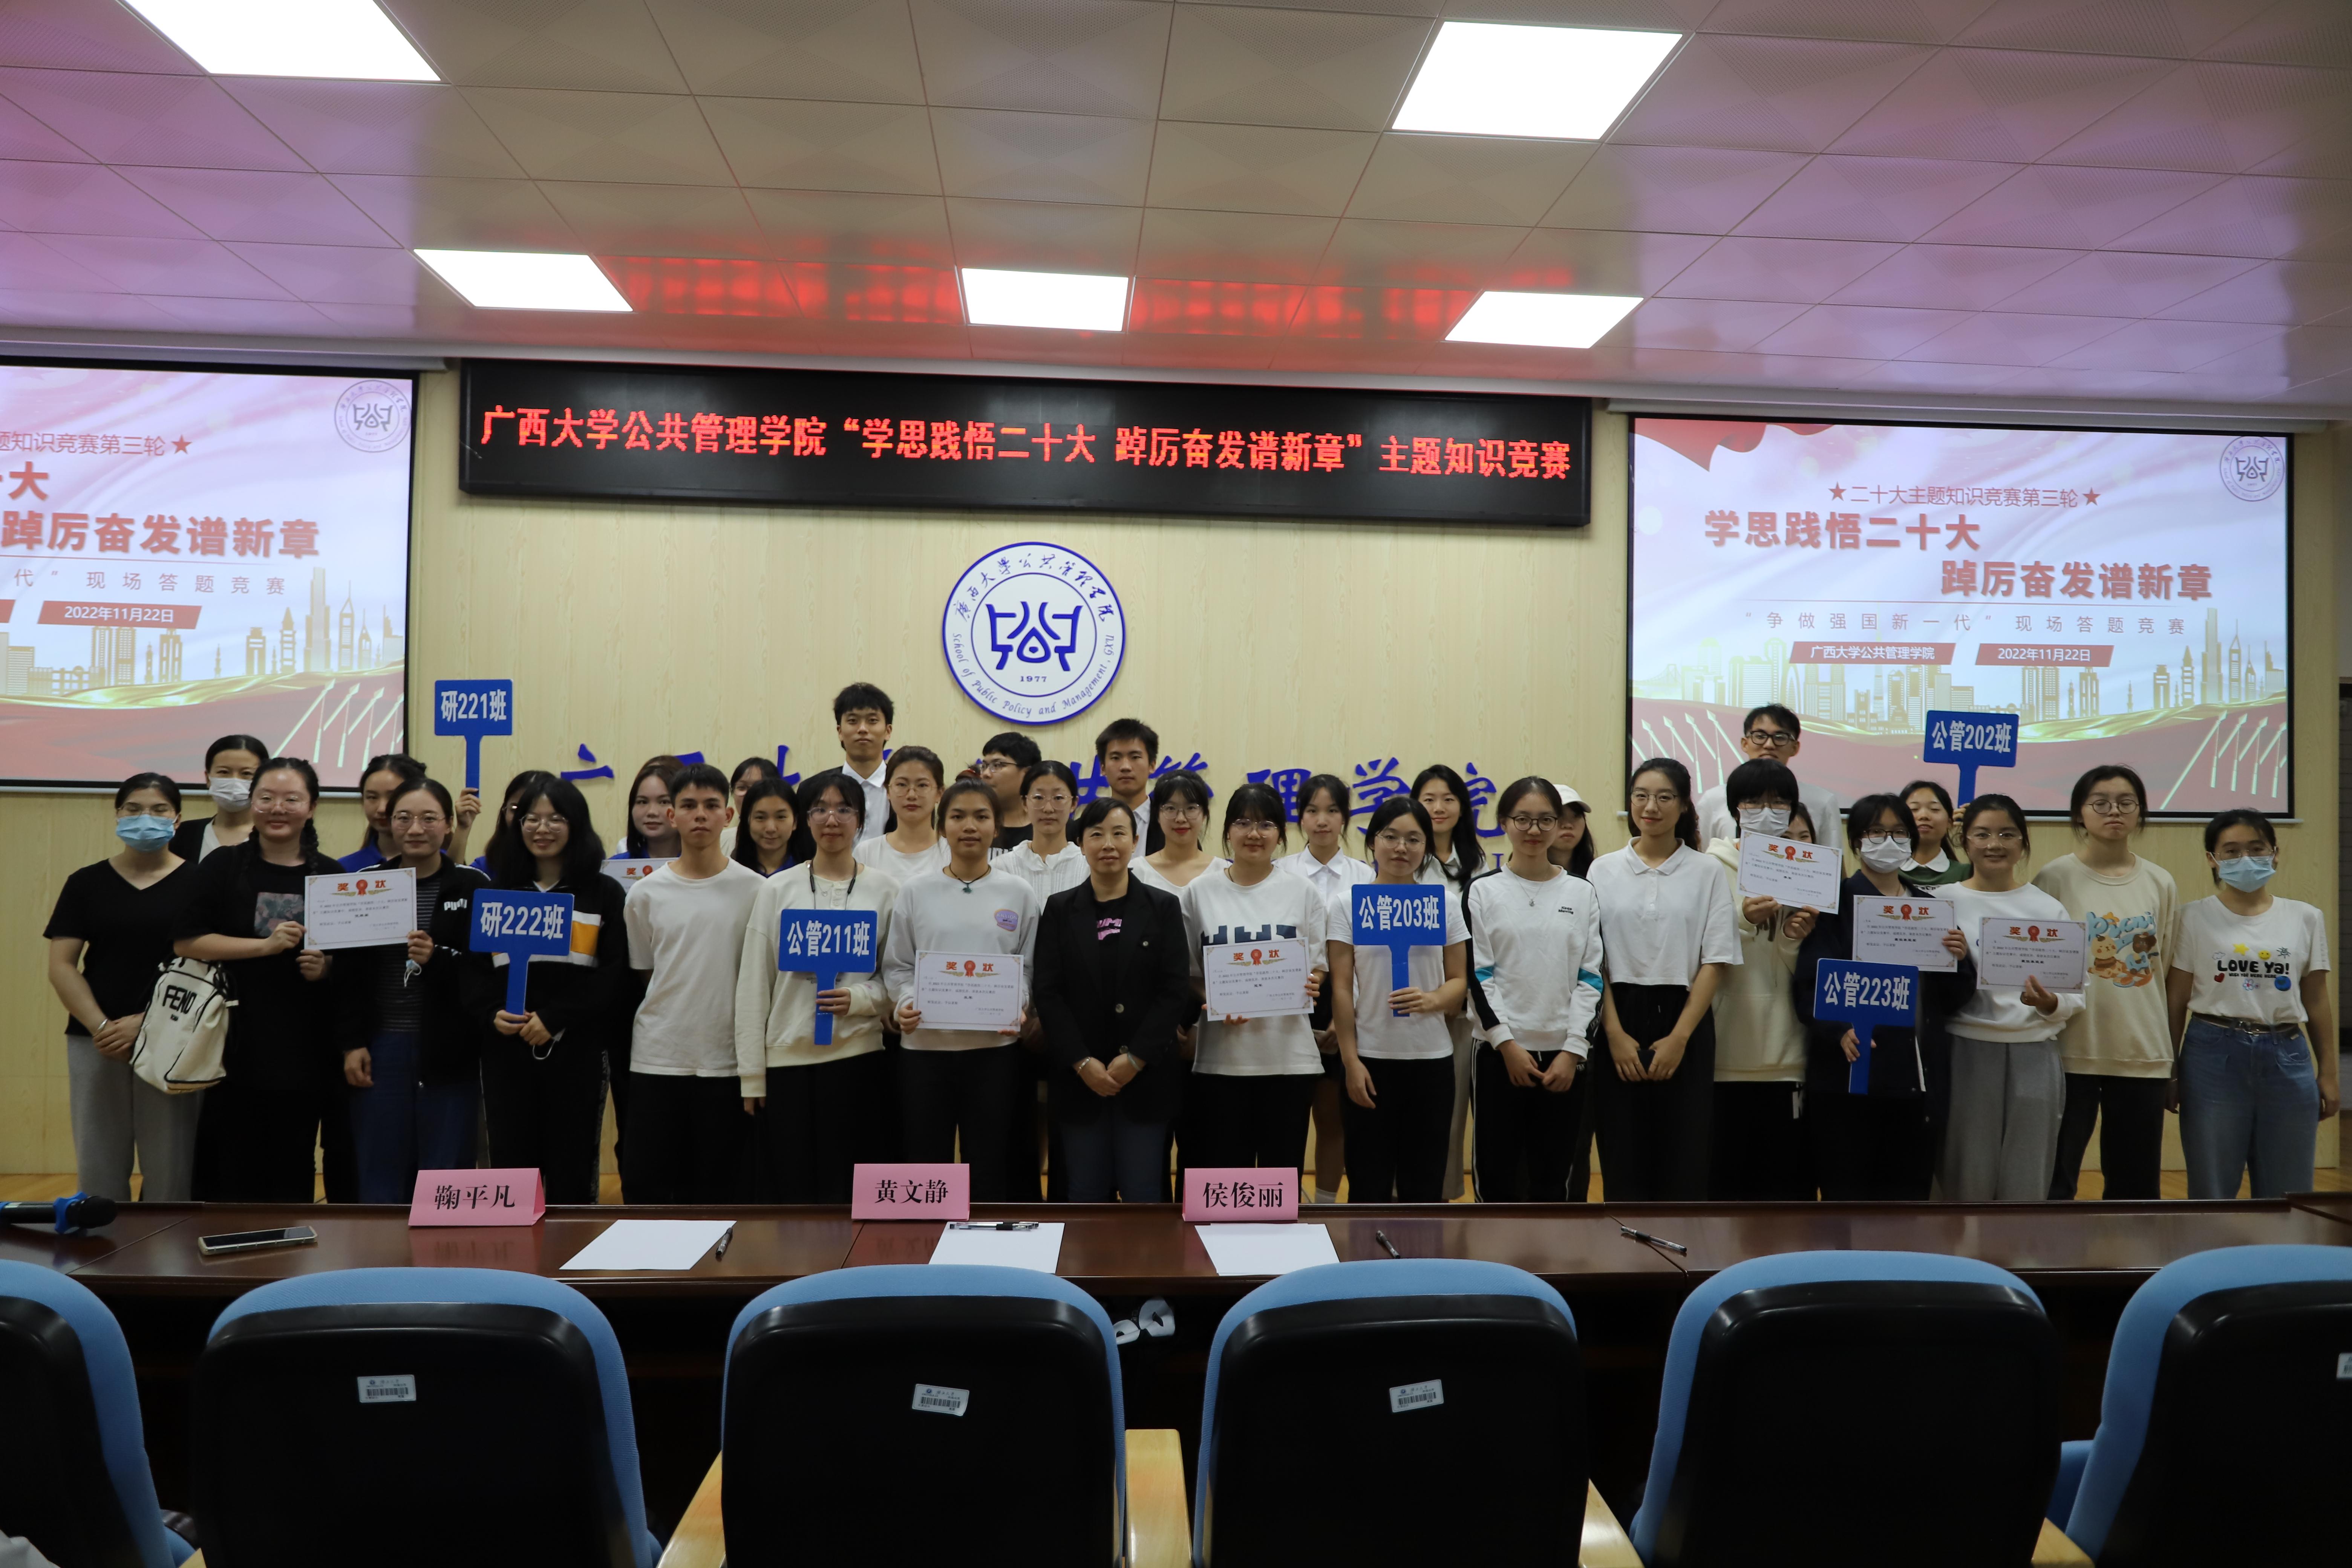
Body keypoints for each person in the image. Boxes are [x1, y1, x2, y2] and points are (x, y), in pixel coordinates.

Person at [173, 756, 344, 1201]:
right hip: (228, 1041)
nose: (278, 808)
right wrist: (264, 947)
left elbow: (352, 962)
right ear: (253, 803)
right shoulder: (223, 866)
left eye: (292, 799)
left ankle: (289, 1246)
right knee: (227, 1162)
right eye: (266, 798)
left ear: (312, 806)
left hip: (305, 1045)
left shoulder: (332, 875)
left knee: (292, 1161)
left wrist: (327, 967)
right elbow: (187, 941)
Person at [1792, 793, 1974, 1200]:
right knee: (1847, 1201)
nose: (1888, 842)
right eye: (1876, 832)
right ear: (1857, 841)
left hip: (1914, 1082)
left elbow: (1951, 999)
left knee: (1906, 1203)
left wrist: (1960, 960)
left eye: (1898, 833)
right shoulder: (1833, 906)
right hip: (1848, 1079)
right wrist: (1838, 1030)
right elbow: (1809, 986)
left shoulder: (1931, 910)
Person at [735, 772, 900, 1202]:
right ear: (805, 820)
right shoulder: (777, 889)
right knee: (791, 1191)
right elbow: (754, 985)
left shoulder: (886, 891)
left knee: (849, 1192)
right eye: (820, 809)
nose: (832, 819)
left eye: (844, 809)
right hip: (787, 1063)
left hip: (858, 1058)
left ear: (861, 820)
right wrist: (752, 1076)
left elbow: (898, 978)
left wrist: (860, 999)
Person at [43, 773, 203, 1201]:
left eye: (158, 809)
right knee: (99, 1167)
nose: (145, 818)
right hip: (96, 1039)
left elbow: (207, 969)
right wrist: (101, 1027)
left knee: (171, 1171)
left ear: (177, 819)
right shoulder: (86, 882)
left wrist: (149, 1025)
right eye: (133, 809)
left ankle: (168, 1248)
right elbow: (62, 966)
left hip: (174, 1039)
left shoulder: (200, 883)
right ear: (118, 815)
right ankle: (99, 1244)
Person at [472, 776, 629, 1206]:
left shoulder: (603, 893)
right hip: (506, 1053)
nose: (542, 828)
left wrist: (555, 1018)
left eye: (556, 818)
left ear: (576, 825)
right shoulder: (495, 892)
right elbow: (476, 973)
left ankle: (570, 1250)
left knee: (572, 1169)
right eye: (531, 819)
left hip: (577, 1051)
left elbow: (612, 974)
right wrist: (491, 1012)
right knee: (511, 1170)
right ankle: (512, 1251)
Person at [1588, 758, 1740, 1201]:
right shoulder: (1602, 869)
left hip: (1685, 1017)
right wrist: (1614, 1034)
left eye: (1664, 797)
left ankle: (1682, 1246)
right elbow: (1593, 961)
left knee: (1684, 1157)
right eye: (1641, 796)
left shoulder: (1707, 870)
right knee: (1623, 1155)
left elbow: (1715, 960)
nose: (1650, 806)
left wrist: (1679, 1038)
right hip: (1617, 1013)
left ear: (1684, 805)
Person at [2168, 810, 2339, 1199]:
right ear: (2212, 859)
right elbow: (2176, 1000)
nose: (2245, 859)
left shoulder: (2306, 917)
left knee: (2289, 1190)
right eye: (2231, 851)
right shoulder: (2192, 917)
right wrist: (2171, 1070)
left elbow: (2316, 999)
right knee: (2212, 1187)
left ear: (2275, 853)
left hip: (2287, 1055)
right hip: (2212, 1054)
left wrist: (2329, 1072)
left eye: (2256, 848)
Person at [882, 780, 1040, 1200]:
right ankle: (926, 1240)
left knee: (990, 1163)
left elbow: (1027, 967)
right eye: (958, 816)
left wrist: (1019, 1003)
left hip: (995, 1052)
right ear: (942, 827)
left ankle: (983, 1241)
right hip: (924, 1051)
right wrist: (906, 1002)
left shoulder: (1019, 893)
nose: (970, 826)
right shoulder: (915, 891)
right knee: (925, 1161)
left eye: (981, 816)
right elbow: (897, 965)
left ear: (997, 827)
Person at [338, 778, 491, 1203]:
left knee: (446, 1172)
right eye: (404, 818)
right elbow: (347, 976)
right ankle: (383, 1247)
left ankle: (443, 1247)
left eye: (429, 818)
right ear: (389, 823)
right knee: (381, 1168)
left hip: (451, 1047)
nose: (416, 829)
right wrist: (352, 1043)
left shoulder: (474, 885)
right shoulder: (366, 883)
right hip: (381, 1046)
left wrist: (438, 957)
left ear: (449, 825)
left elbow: (487, 970)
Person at [1032, 799, 1191, 1200]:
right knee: (1084, 1194)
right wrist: (1082, 1062)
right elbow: (1048, 992)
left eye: (1119, 833)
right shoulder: (1059, 909)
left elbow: (1174, 990)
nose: (1108, 844)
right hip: (1079, 1079)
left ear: (1135, 842)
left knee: (1144, 1193)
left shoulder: (1163, 906)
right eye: (1097, 834)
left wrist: (1136, 1058)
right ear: (1081, 844)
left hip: (1146, 1079)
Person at [622, 763, 763, 1203]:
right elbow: (646, 972)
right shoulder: (645, 893)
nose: (700, 814)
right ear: (672, 816)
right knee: (650, 1187)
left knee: (722, 1190)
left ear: (729, 815)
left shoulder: (758, 890)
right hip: (659, 1057)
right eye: (688, 805)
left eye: (711, 805)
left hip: (726, 1062)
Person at [2034, 766, 2177, 1200]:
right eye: (2100, 802)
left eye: (2126, 802)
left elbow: (2165, 965)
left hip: (2141, 1052)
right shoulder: (2054, 877)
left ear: (2141, 811)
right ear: (2080, 813)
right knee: (2054, 1182)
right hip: (2069, 1050)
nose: (2114, 810)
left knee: (2136, 1189)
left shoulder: (2160, 881)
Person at [1181, 783, 1331, 1179]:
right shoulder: (1198, 893)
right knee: (1228, 1182)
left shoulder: (1303, 892)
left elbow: (1318, 966)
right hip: (1221, 1060)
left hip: (1289, 1061)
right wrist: (1217, 998)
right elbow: (1190, 973)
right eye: (1243, 822)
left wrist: (1312, 983)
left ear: (1281, 834)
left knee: (1279, 1185)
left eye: (1266, 824)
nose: (1254, 833)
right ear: (1227, 830)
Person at [1465, 778, 1603, 1203]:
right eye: (1522, 819)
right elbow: (1478, 974)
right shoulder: (1482, 890)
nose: (1534, 829)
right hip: (1498, 1055)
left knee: (1554, 1181)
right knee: (1497, 1180)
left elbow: (1591, 977)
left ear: (1559, 824)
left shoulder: (1582, 892)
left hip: (1564, 1059)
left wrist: (1574, 1050)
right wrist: (1506, 1044)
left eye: (1546, 820)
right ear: (1504, 822)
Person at [1941, 795, 2085, 1201]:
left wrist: (2048, 1002)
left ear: (2023, 842)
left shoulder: (2048, 908)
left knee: (2027, 1176)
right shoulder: (1940, 902)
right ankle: (1963, 1247)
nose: (1995, 844)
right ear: (1965, 841)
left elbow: (2076, 992)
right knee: (1966, 1176)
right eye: (1982, 834)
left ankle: (2020, 1246)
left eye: (2007, 834)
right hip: (1964, 1048)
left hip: (2034, 1051)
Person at [1331, 795, 1466, 1202]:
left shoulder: (1444, 903)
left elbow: (1459, 980)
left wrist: (1433, 999)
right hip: (1370, 1059)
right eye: (1390, 836)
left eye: (1414, 839)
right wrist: (1351, 1061)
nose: (1401, 848)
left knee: (1423, 1186)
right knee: (1368, 1184)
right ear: (1373, 841)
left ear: (1427, 846)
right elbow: (1341, 987)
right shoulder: (1348, 904)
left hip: (1431, 1060)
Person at [1700, 759, 1820, 1200]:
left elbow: (1807, 967)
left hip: (1788, 1054)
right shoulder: (1709, 867)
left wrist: (1792, 939)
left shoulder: (1808, 868)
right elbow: (1696, 951)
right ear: (1736, 807)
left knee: (1783, 1189)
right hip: (1724, 1052)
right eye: (1754, 802)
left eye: (1779, 803)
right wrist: (1742, 919)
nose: (1767, 812)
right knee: (1724, 1186)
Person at [1277, 774, 1370, 1204]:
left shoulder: (1365, 876)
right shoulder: (1281, 871)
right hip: (1288, 1001)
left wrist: (1346, 1015)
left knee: (1332, 1116)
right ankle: (1287, 1203)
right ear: (1300, 818)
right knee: (1288, 1115)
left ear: (1345, 817)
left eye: (1332, 810)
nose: (1322, 820)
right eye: (1312, 810)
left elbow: (1368, 956)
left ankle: (1328, 1205)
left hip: (1346, 999)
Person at [1412, 765, 1487, 1202]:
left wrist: (1460, 995)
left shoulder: (1479, 867)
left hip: (1460, 1009)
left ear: (1462, 807)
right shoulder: (1401, 862)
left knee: (1451, 1110)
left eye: (1448, 799)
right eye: (1428, 799)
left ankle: (1440, 1198)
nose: (1438, 808)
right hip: (1404, 1005)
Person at [1694, 705, 1842, 845]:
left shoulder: (1822, 801)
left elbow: (1832, 858)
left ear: (1795, 747)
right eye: (1760, 736)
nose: (1769, 745)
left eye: (1780, 737)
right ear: (1745, 744)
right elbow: (1704, 855)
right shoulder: (1713, 800)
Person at [856, 746, 951, 882]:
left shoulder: (953, 852)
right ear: (888, 791)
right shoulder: (866, 852)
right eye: (902, 785)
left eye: (922, 785)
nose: (911, 795)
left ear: (940, 793)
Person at [995, 761, 1087, 902]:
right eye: (1038, 798)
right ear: (1025, 803)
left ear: (1074, 803)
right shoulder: (1002, 867)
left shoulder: (1088, 867)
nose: (1048, 809)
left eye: (1059, 798)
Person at [168, 733, 268, 862]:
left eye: (247, 773)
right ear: (208, 778)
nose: (235, 781)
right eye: (224, 772)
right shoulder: (183, 834)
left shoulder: (274, 835)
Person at [1134, 770, 1223, 893]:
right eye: (1171, 808)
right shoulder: (1137, 871)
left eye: (1191, 808)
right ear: (1157, 815)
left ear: (1204, 814)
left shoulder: (1223, 872)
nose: (1181, 819)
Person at [340, 754, 425, 872]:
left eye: (393, 797)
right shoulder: (344, 869)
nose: (382, 809)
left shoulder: (443, 864)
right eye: (372, 797)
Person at [834, 682, 895, 842]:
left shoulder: (906, 791)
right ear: (840, 732)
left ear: (888, 731)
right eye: (853, 721)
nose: (862, 729)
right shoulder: (813, 790)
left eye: (872, 721)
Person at [1095, 717, 1158, 840]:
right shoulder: (1086, 826)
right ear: (1103, 768)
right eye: (1116, 758)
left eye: (1135, 757)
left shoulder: (1171, 823)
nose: (1126, 767)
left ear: (1152, 765)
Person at [1899, 780, 1970, 887]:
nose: (1924, 816)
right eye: (1914, 809)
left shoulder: (1967, 874)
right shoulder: (1885, 873)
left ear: (1950, 822)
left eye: (1934, 809)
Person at [977, 732, 1042, 850]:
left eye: (997, 765)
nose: (986, 774)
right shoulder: (973, 826)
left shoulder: (1048, 828)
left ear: (1028, 774)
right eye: (984, 766)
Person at [730, 777, 800, 877]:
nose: (771, 829)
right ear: (748, 821)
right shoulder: (732, 872)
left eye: (781, 817)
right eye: (761, 818)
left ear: (795, 822)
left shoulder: (809, 872)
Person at [718, 755, 782, 854]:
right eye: (742, 788)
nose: (749, 795)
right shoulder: (719, 842)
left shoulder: (786, 841)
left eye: (758, 787)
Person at [622, 758, 683, 861]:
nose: (652, 812)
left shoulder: (706, 866)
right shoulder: (615, 867)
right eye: (643, 802)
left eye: (664, 802)